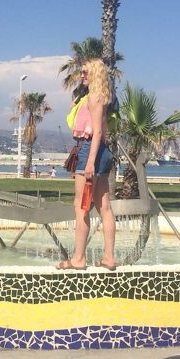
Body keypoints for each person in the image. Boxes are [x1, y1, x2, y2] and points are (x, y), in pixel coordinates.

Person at [57, 58, 116, 271]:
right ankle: (108, 258)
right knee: (104, 207)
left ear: (95, 74)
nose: (81, 75)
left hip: (90, 150)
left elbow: (97, 132)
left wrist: (90, 161)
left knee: (81, 207)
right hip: (101, 151)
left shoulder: (94, 97)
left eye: (85, 72)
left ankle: (79, 258)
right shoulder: (103, 97)